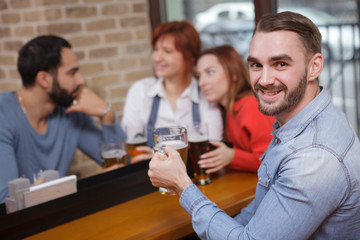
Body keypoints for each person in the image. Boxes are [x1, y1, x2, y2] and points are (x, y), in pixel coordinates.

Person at [148, 11, 360, 239]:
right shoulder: (305, 121)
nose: (265, 80)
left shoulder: (313, 159)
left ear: (314, 67)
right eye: (256, 65)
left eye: (280, 64)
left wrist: (182, 185)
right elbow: (260, 211)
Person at [0, 35, 126, 203]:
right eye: (72, 73)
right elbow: (6, 201)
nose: (81, 80)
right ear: (44, 79)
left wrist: (107, 114)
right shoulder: (3, 115)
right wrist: (87, 189)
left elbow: (121, 166)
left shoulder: (70, 111)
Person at [122, 20, 223, 163]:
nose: (157, 58)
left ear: (190, 57)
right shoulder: (140, 91)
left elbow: (212, 151)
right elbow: (132, 150)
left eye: (167, 51)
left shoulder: (205, 93)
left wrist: (158, 156)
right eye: (156, 50)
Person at [196, 45, 274, 173]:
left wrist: (232, 156)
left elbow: (272, 162)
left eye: (210, 72)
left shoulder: (252, 106)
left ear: (233, 74)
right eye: (199, 75)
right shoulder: (226, 110)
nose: (201, 82)